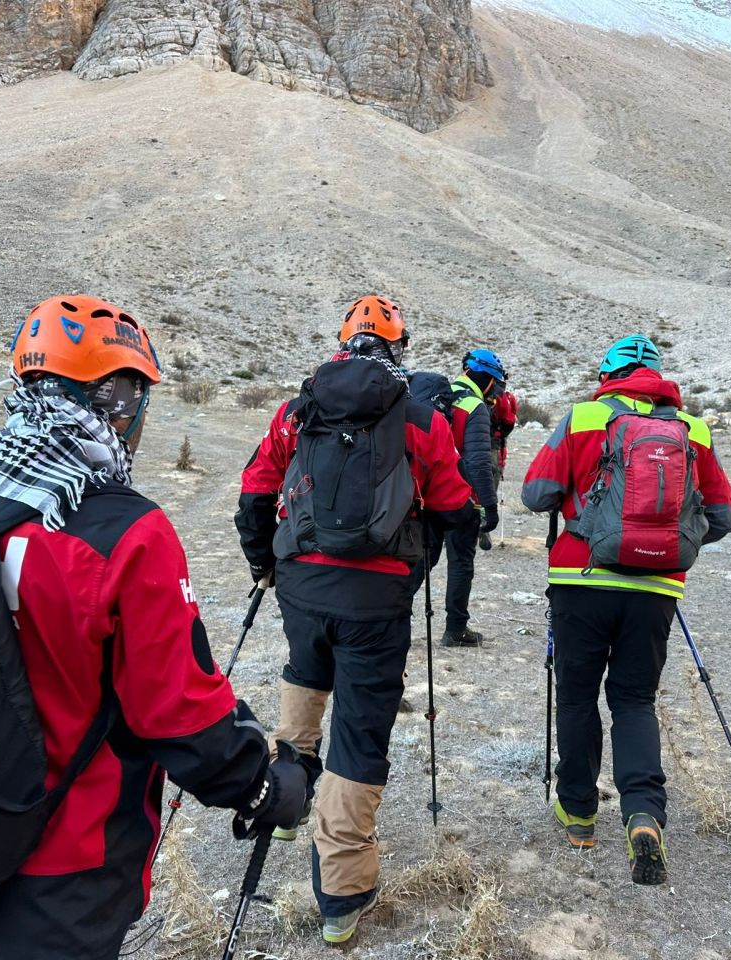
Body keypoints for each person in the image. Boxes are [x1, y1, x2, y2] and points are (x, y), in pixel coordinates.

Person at [0, 295, 307, 960]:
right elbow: (177, 715)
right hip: (68, 864)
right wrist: (261, 785)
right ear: (121, 404)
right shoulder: (129, 533)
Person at [235, 295, 473, 944]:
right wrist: (415, 563)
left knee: (304, 677)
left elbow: (255, 491)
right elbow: (457, 508)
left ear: (342, 343)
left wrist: (267, 565)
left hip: (303, 586)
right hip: (376, 599)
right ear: (399, 348)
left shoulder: (298, 408)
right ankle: (341, 896)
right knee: (360, 735)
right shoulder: (421, 417)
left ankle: (287, 802)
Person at [521, 334, 731, 885]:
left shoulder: (585, 417)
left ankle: (578, 813)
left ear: (606, 374)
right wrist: (671, 543)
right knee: (635, 699)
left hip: (580, 578)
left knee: (576, 696)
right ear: (660, 376)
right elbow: (725, 515)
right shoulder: (692, 429)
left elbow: (535, 493)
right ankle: (643, 814)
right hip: (656, 587)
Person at [416, 348, 506, 646]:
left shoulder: (433, 397)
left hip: (425, 498)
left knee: (420, 563)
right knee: (460, 563)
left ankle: (392, 617)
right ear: (489, 381)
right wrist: (490, 507)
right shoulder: (474, 406)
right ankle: (455, 629)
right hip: (459, 501)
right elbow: (479, 463)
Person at [481, 386, 519, 550]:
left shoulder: (471, 394)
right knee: (489, 489)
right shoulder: (503, 396)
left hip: (471, 447)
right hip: (494, 447)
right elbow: (509, 420)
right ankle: (484, 526)